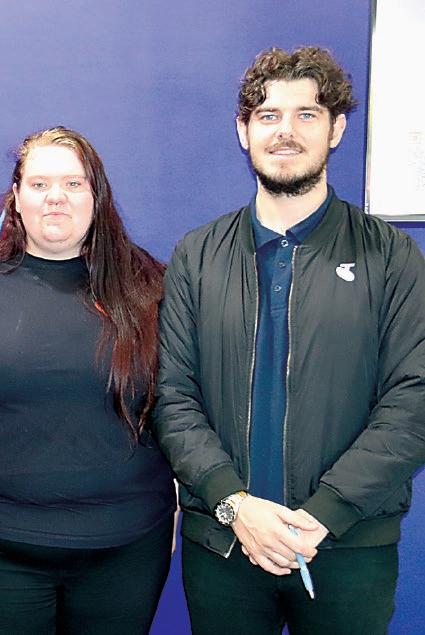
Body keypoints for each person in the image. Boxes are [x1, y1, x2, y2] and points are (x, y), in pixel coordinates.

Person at [154, 46, 425, 634]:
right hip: (224, 544)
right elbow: (173, 399)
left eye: (306, 114)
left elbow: (414, 400)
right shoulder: (197, 256)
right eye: (268, 115)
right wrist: (234, 504)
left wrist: (326, 512)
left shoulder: (391, 256)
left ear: (336, 129)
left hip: (348, 547)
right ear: (244, 131)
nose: (286, 131)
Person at [0, 126, 176, 634]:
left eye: (73, 183)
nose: (55, 197)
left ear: (96, 195)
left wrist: (175, 507)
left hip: (126, 549)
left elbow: (175, 409)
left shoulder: (150, 288)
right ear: (16, 197)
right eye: (40, 184)